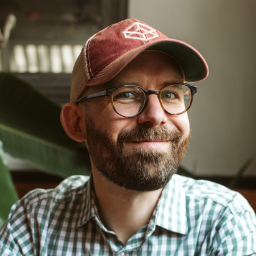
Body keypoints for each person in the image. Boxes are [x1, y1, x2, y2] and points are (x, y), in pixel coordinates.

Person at [0, 19, 255, 256]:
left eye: (170, 94)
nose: (155, 116)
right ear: (77, 123)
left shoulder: (223, 220)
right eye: (126, 94)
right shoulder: (34, 223)